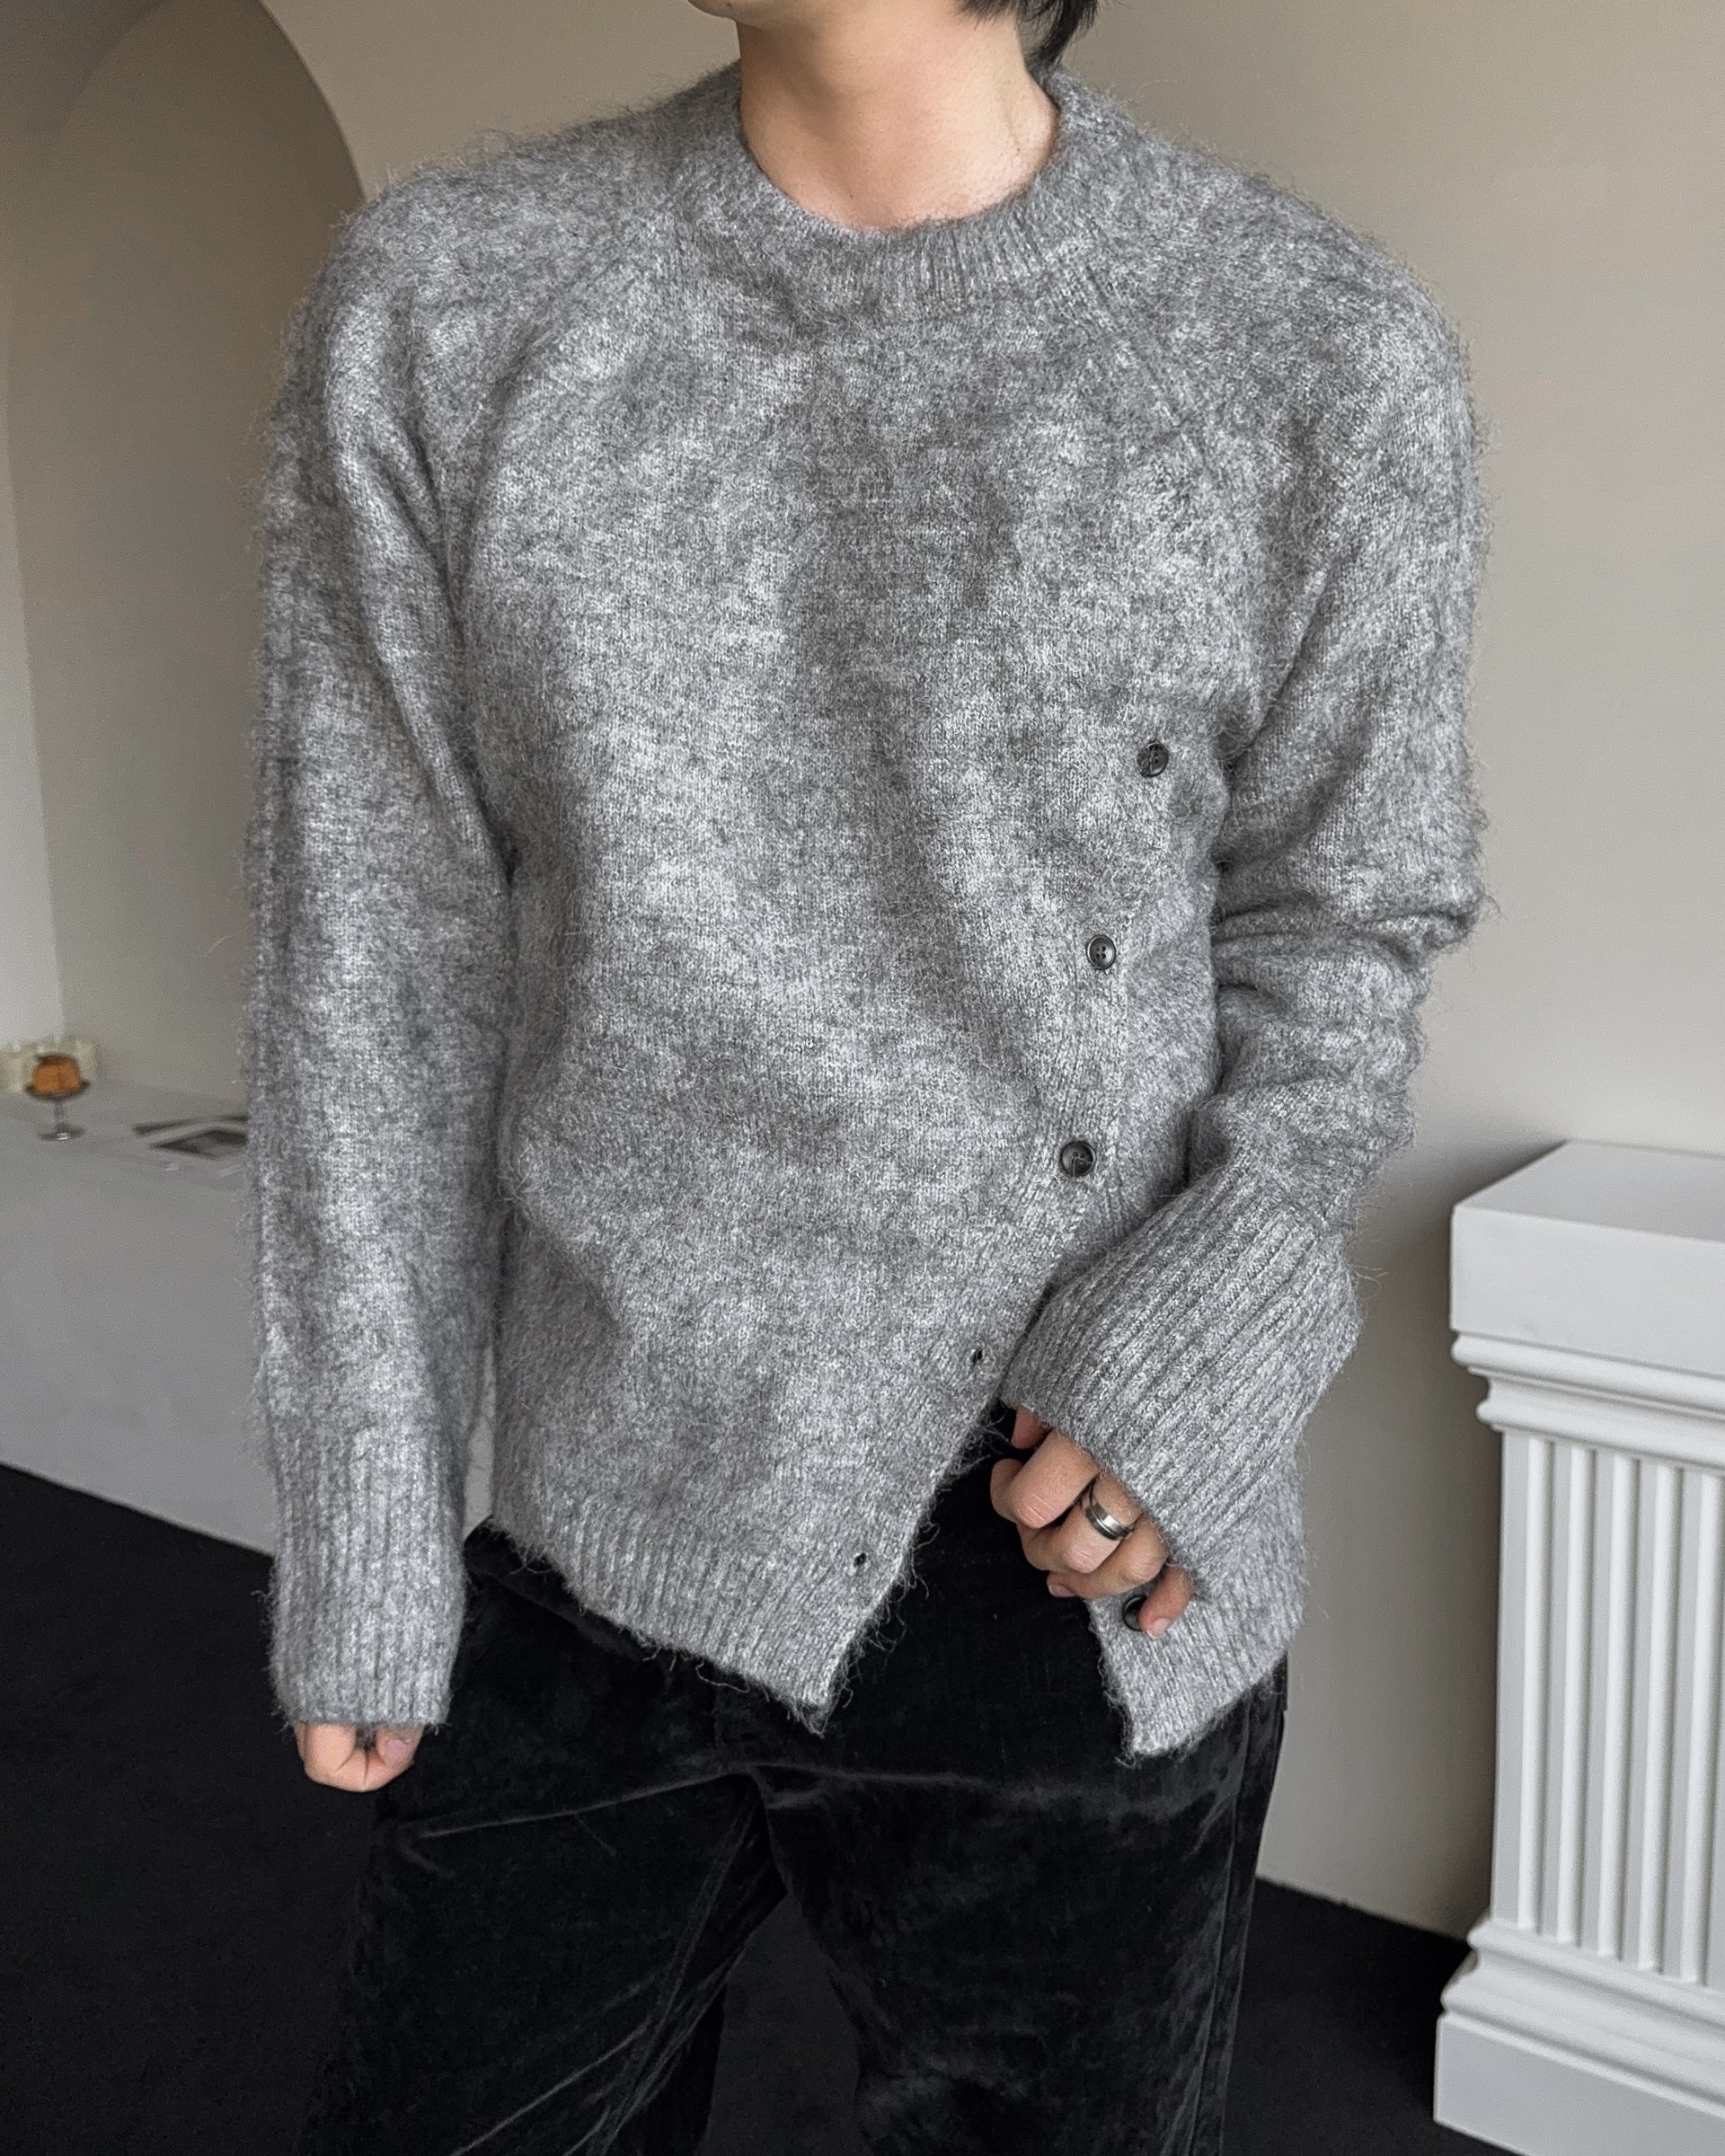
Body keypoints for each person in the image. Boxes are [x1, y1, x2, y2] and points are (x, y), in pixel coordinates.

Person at [241, 0, 1487, 2147]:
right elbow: (377, 965)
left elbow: (1341, 918)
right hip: (594, 1515)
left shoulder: (1315, 351)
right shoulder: (446, 308)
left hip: (1072, 1548)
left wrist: (1228, 1306)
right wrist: (370, 1509)